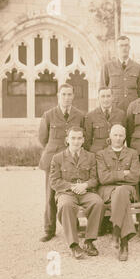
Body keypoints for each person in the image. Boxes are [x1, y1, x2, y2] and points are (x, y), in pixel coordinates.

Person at [38, 83, 85, 242]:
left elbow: (83, 137)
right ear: (58, 95)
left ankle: (74, 224)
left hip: (72, 160)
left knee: (72, 192)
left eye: (69, 94)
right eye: (63, 94)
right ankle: (49, 229)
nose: (66, 97)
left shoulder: (79, 115)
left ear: (73, 96)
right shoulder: (49, 115)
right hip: (53, 160)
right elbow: (43, 139)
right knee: (50, 195)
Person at [49, 126, 103, 259]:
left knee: (98, 202)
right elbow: (54, 181)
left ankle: (89, 241)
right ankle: (73, 245)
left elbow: (95, 178)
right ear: (67, 139)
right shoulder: (57, 158)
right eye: (73, 138)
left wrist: (85, 185)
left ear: (83, 140)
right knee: (65, 206)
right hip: (66, 193)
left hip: (86, 192)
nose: (76, 141)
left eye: (79, 138)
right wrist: (72, 186)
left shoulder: (91, 157)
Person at [96, 124, 140, 261]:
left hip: (128, 190)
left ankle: (116, 232)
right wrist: (123, 174)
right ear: (110, 136)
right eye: (115, 135)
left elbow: (134, 177)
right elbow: (103, 178)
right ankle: (124, 244)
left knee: (121, 192)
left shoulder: (133, 153)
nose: (118, 138)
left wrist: (114, 175)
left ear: (125, 137)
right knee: (121, 195)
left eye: (121, 135)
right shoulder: (101, 154)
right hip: (107, 191)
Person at [100, 35, 140, 112]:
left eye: (126, 45)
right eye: (121, 46)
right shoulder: (107, 66)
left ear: (129, 47)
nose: (124, 48)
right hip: (114, 109)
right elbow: (102, 89)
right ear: (117, 48)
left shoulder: (138, 67)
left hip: (133, 108)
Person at [84, 87, 126, 153]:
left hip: (115, 153)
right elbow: (87, 140)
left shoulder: (121, 114)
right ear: (98, 98)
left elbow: (124, 136)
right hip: (97, 154)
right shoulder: (90, 116)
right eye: (103, 96)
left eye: (108, 96)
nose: (106, 99)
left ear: (113, 97)